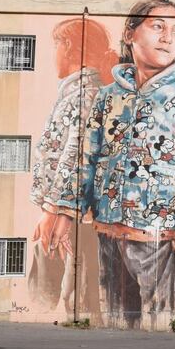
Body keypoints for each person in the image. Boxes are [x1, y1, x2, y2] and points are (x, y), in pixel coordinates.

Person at [49, 0, 175, 329]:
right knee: (114, 324)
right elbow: (87, 159)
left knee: (161, 326)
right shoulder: (107, 96)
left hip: (162, 236)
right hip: (108, 233)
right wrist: (65, 210)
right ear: (130, 34)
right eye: (157, 26)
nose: (168, 37)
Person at [28, 18, 117, 314]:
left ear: (68, 47)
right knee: (71, 289)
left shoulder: (84, 95)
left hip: (78, 220)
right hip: (75, 218)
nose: (54, 53)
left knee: (73, 291)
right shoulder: (77, 92)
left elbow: (76, 155)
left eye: (56, 45)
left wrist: (52, 211)